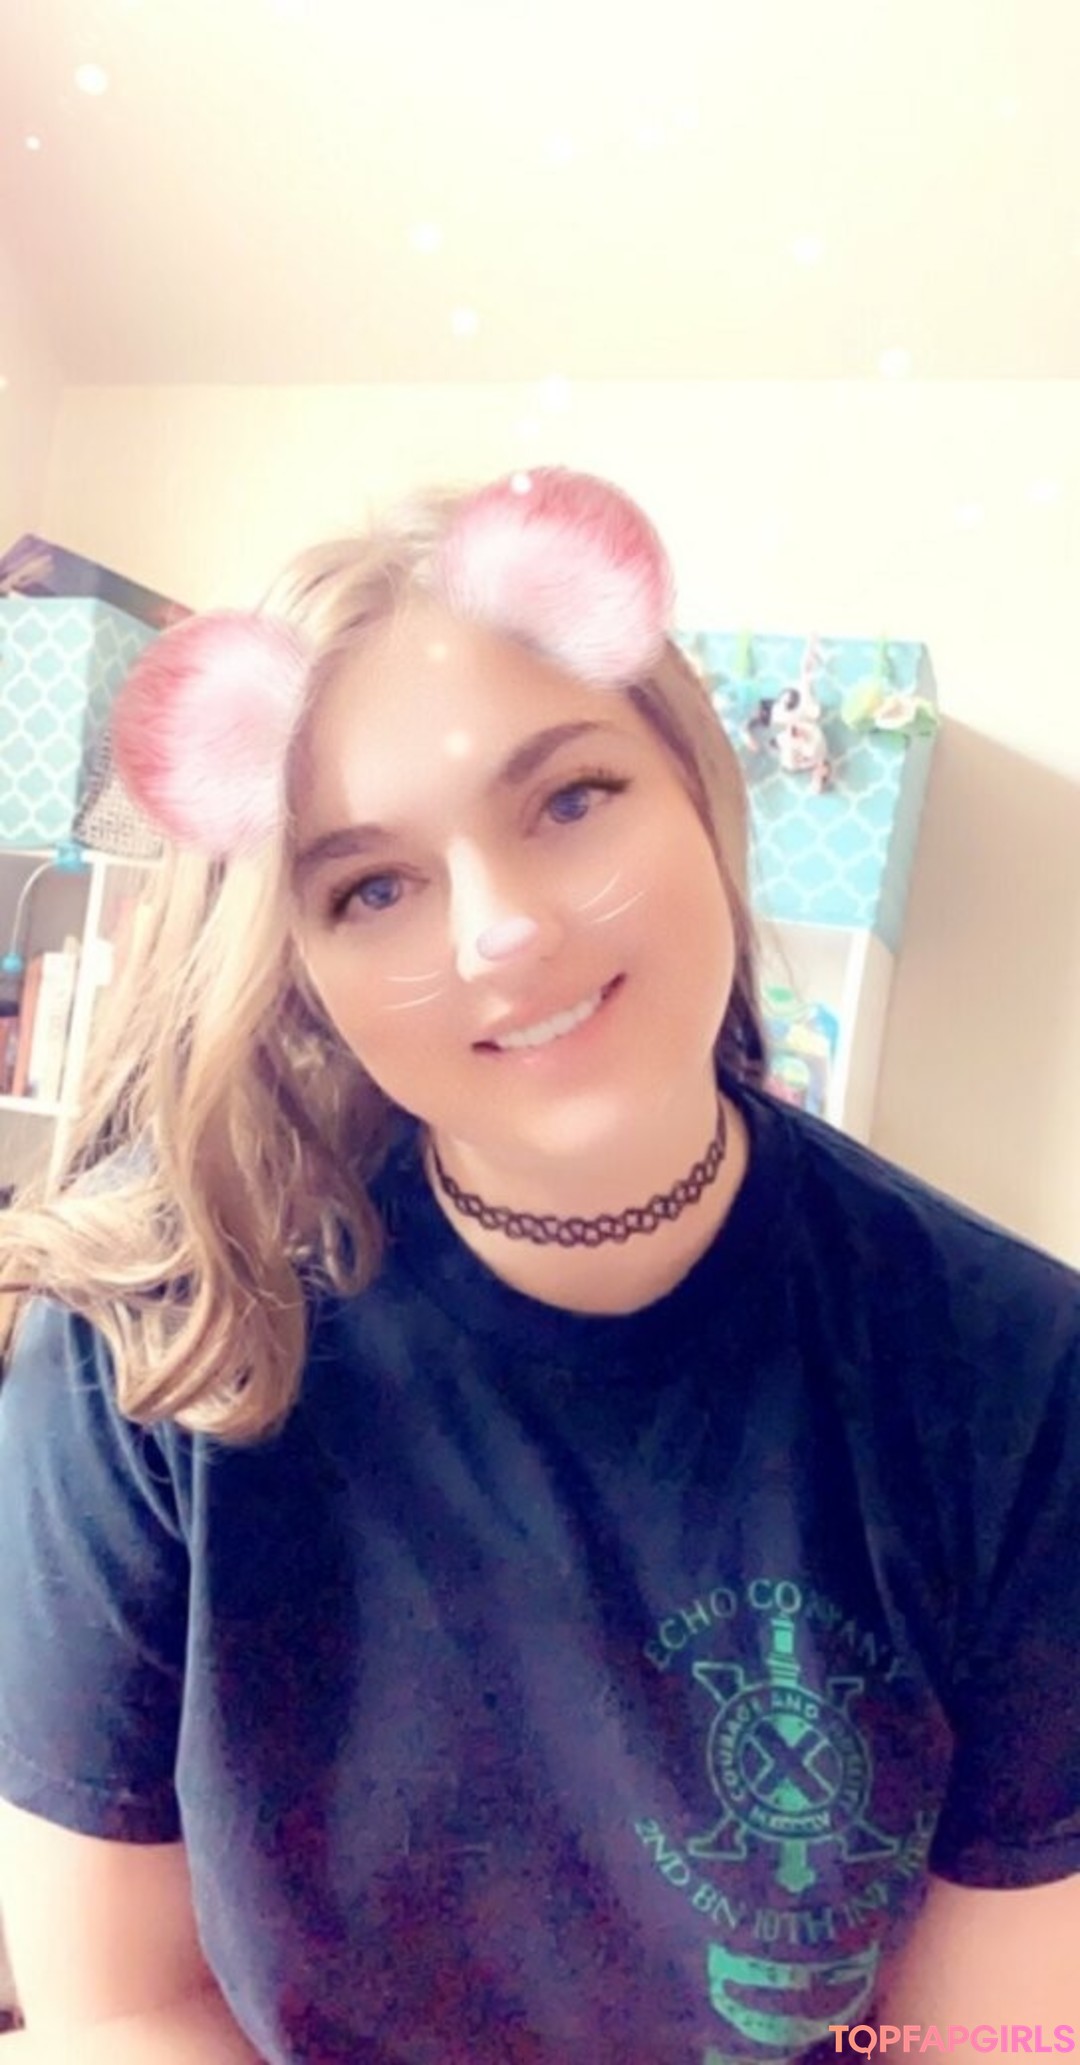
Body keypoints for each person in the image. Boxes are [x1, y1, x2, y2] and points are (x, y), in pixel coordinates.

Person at [0, 467, 1077, 2065]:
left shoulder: (1018, 1373)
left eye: (569, 798)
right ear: (303, 968)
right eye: (374, 885)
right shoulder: (153, 1343)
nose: (500, 930)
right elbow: (119, 2004)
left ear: (700, 786)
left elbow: (987, 2033)